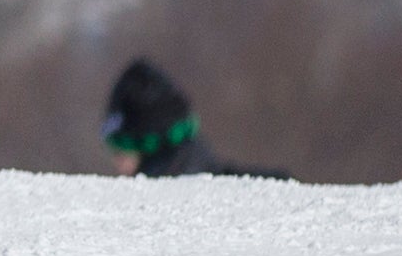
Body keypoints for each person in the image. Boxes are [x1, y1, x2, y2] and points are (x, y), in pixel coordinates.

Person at [98, 57, 281, 179]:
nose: (116, 163)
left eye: (121, 152)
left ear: (148, 146)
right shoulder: (200, 168)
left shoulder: (172, 197)